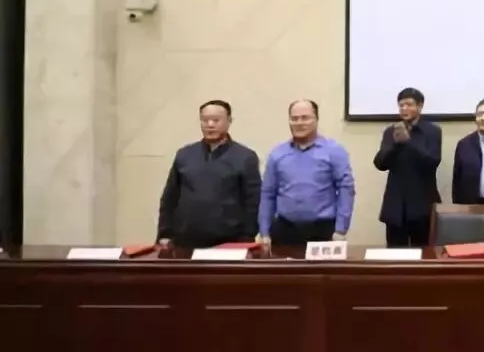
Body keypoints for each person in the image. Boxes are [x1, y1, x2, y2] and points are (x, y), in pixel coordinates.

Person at [157, 99, 261, 249]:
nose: (210, 125)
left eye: (216, 120)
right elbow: (169, 197)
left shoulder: (245, 157)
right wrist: (165, 233)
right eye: (205, 120)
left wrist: (247, 236)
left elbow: (253, 202)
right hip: (185, 240)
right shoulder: (185, 154)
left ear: (229, 121)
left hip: (229, 241)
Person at [258, 100, 356, 247]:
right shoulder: (277, 154)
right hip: (285, 229)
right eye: (294, 118)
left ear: (316, 120)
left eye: (305, 118)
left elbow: (346, 190)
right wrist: (264, 232)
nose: (299, 123)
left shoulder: (334, 151)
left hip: (323, 230)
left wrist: (341, 229)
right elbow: (268, 194)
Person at [374, 87, 442, 247]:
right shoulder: (391, 131)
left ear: (420, 106)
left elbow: (432, 162)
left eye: (409, 105)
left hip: (422, 205)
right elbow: (380, 164)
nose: (404, 109)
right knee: (394, 254)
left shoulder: (432, 131)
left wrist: (409, 142)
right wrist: (395, 145)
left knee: (424, 253)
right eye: (401, 105)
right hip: (396, 205)